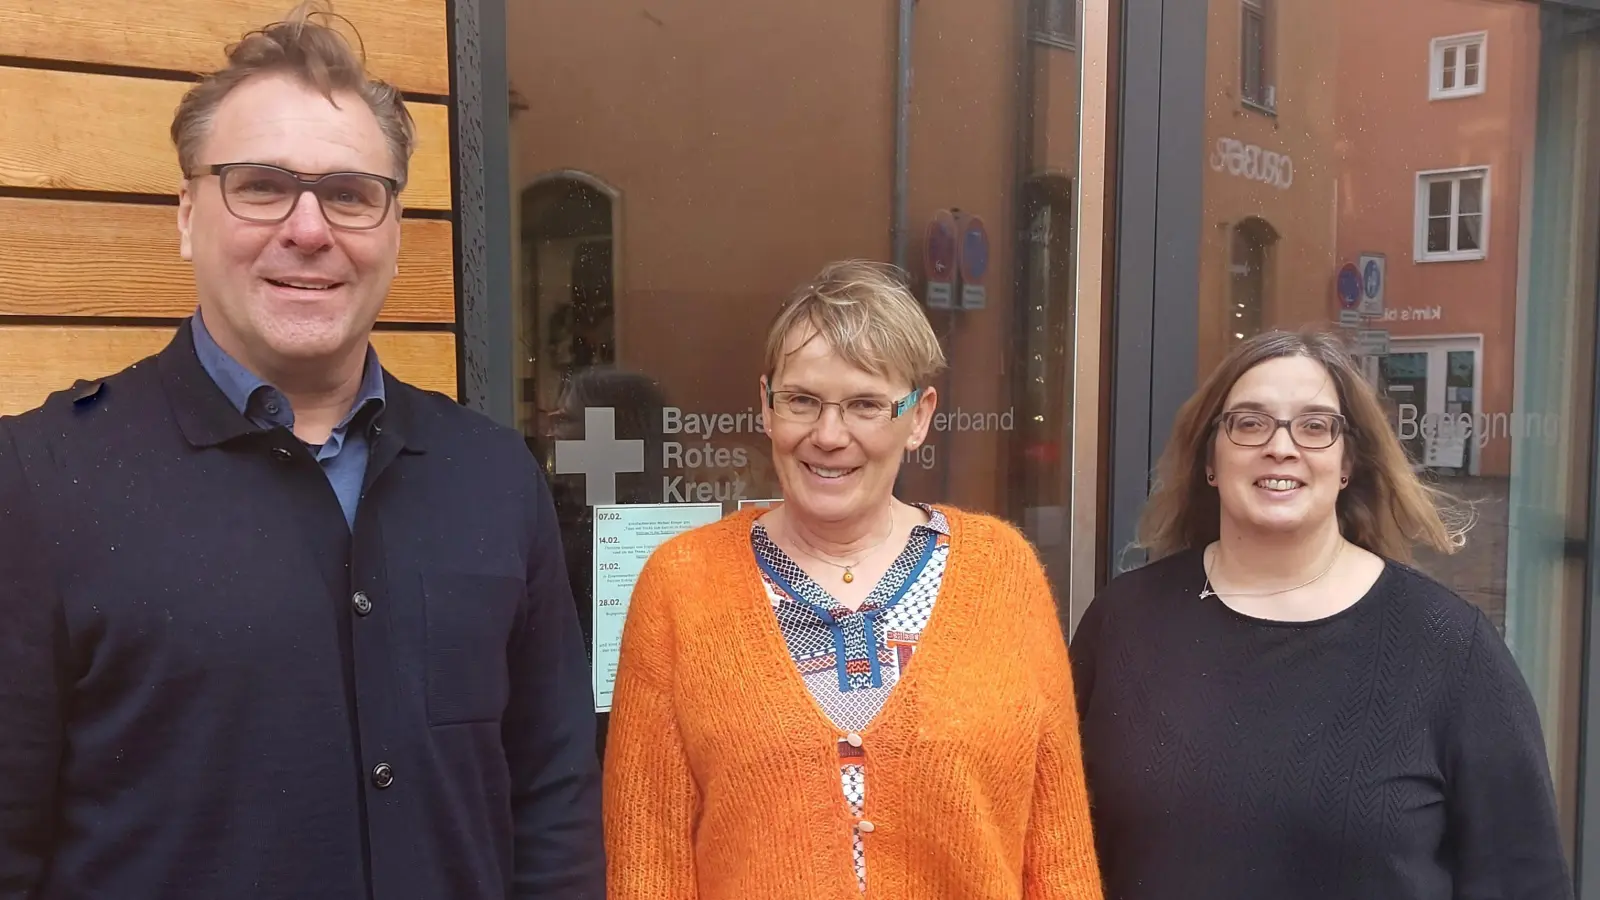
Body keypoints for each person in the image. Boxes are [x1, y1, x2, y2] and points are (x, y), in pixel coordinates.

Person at [0, 5, 603, 898]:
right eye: (261, 184)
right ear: (185, 214)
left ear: (394, 233)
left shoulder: (492, 478)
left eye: (351, 193)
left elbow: (550, 806)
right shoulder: (39, 486)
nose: (310, 229)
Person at [601, 259, 1104, 899]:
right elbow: (650, 860)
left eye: (866, 404)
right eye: (802, 401)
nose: (828, 435)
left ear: (918, 417)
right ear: (765, 405)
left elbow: (1056, 851)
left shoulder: (1003, 574)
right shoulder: (681, 586)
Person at [1070, 329, 1572, 899]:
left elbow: (1523, 881)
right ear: (1210, 457)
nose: (1281, 447)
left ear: (1348, 462)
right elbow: (1054, 846)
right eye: (1250, 422)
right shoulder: (1125, 623)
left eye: (1314, 426)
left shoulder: (1450, 649)